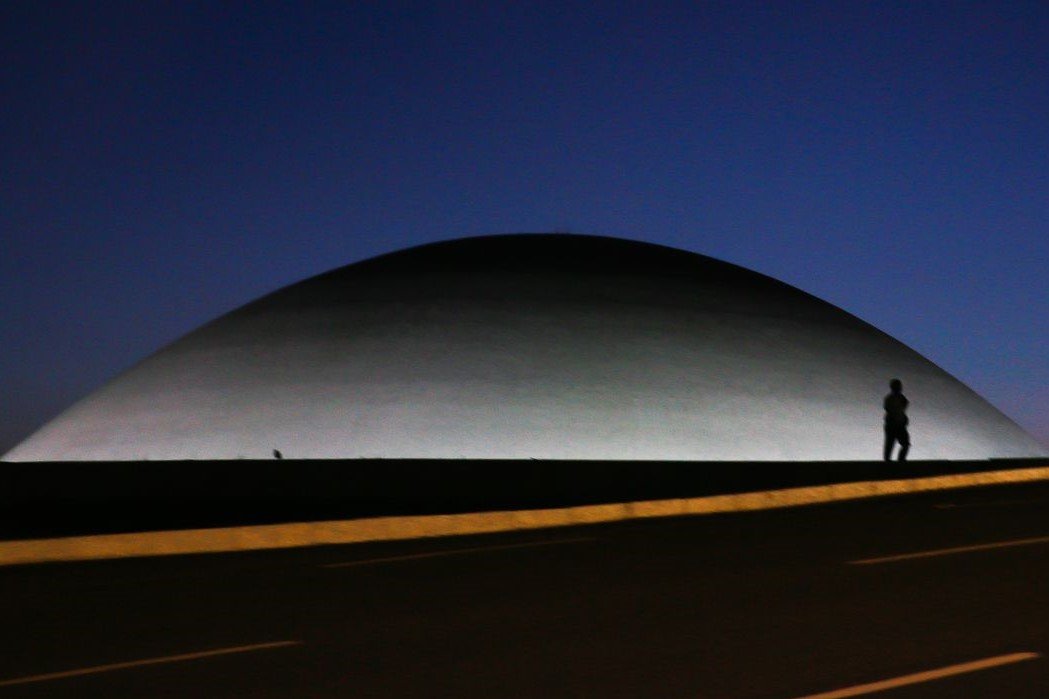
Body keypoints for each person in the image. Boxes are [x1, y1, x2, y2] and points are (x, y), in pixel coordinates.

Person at [883, 379, 910, 461]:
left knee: (899, 444)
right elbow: (891, 410)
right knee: (891, 444)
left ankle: (897, 461)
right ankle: (895, 462)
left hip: (898, 425)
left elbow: (900, 410)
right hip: (894, 425)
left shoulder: (899, 398)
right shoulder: (891, 398)